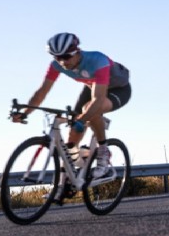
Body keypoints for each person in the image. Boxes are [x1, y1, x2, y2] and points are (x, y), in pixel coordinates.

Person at [11, 32, 131, 183]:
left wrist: (82, 120)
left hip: (118, 89)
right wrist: (25, 113)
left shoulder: (98, 60)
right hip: (92, 86)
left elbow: (98, 99)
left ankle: (103, 151)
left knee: (90, 110)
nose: (62, 62)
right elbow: (42, 92)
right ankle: (69, 176)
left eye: (66, 57)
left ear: (76, 51)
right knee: (72, 135)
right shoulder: (56, 66)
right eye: (57, 57)